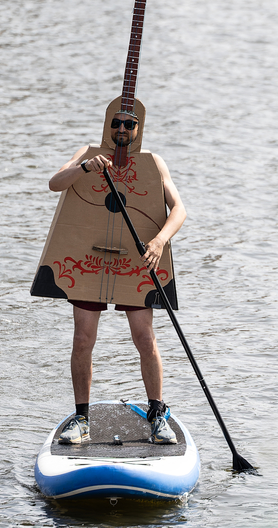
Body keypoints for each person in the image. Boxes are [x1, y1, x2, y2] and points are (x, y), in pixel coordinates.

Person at [48, 111, 187, 445]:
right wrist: (84, 167)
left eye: (130, 124)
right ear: (107, 124)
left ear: (139, 128)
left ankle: (156, 414)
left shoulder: (153, 163)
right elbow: (54, 184)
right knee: (82, 338)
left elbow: (180, 209)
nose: (122, 129)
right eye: (116, 122)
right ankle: (81, 419)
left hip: (134, 260)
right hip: (90, 259)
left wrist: (158, 241)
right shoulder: (86, 153)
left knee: (144, 337)